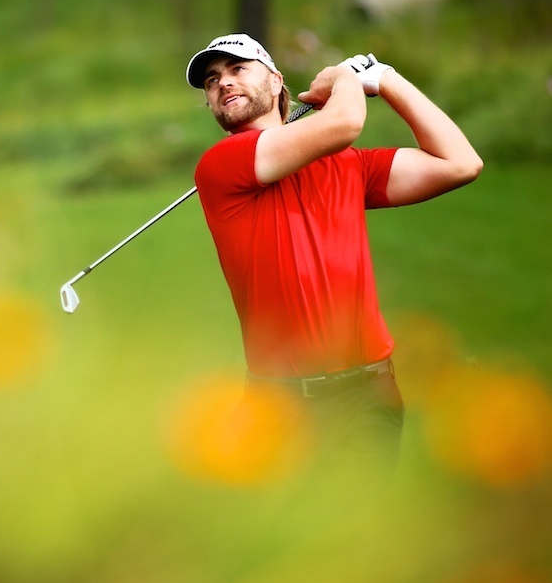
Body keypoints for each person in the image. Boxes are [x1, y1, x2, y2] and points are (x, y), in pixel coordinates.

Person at [185, 34, 482, 479]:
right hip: (279, 407)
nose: (223, 83)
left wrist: (387, 79)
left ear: (276, 81)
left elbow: (460, 163)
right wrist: (346, 78)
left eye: (237, 69)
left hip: (367, 393)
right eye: (212, 80)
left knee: (358, 539)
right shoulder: (220, 165)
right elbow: (344, 122)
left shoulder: (350, 165)